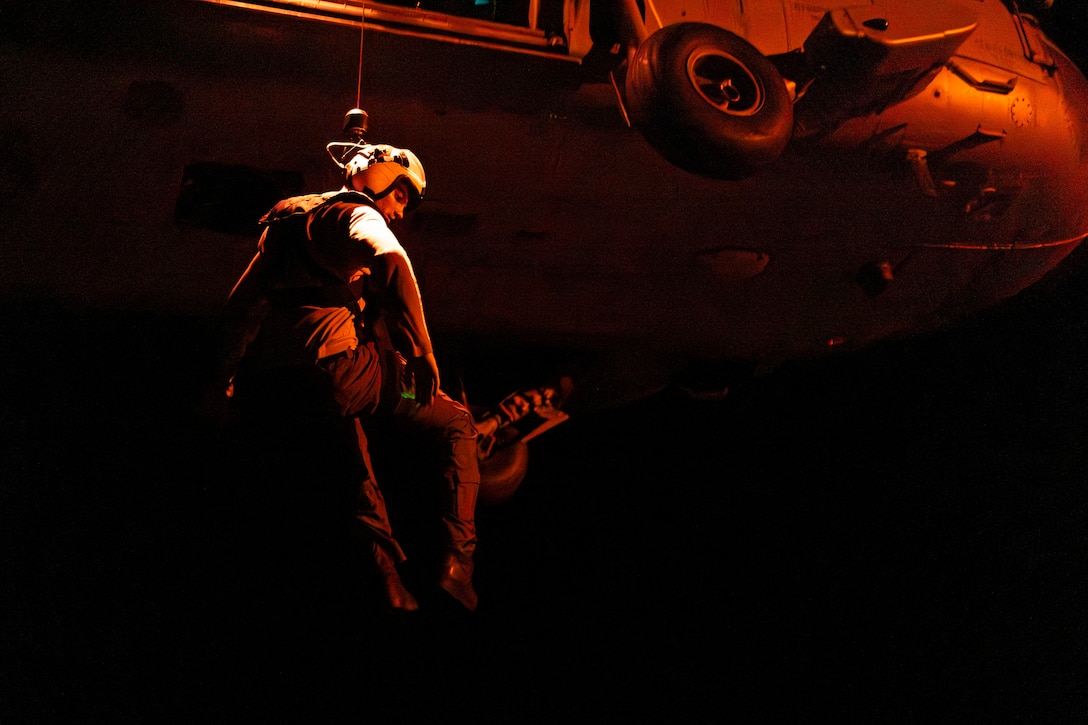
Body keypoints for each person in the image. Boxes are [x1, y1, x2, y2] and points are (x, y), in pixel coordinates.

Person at [216, 140, 482, 612]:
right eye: (402, 196)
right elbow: (393, 262)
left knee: (353, 468)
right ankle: (458, 567)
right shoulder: (356, 215)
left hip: (280, 388)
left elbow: (239, 310)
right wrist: (421, 352)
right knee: (457, 420)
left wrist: (221, 382)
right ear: (380, 175)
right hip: (342, 373)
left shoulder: (284, 222)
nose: (400, 212)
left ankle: (388, 582)